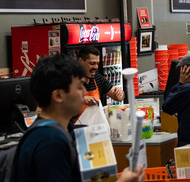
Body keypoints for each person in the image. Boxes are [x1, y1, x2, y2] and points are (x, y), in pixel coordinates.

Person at [19, 54, 144, 182]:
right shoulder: (51, 141)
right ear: (58, 95)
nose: (84, 92)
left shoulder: (60, 130)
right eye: (79, 87)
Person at [77, 46, 125, 118]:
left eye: (97, 63)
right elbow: (62, 103)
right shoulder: (71, 80)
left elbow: (117, 96)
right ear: (81, 61)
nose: (96, 67)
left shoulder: (97, 78)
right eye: (92, 63)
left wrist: (120, 93)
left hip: (96, 126)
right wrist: (82, 100)